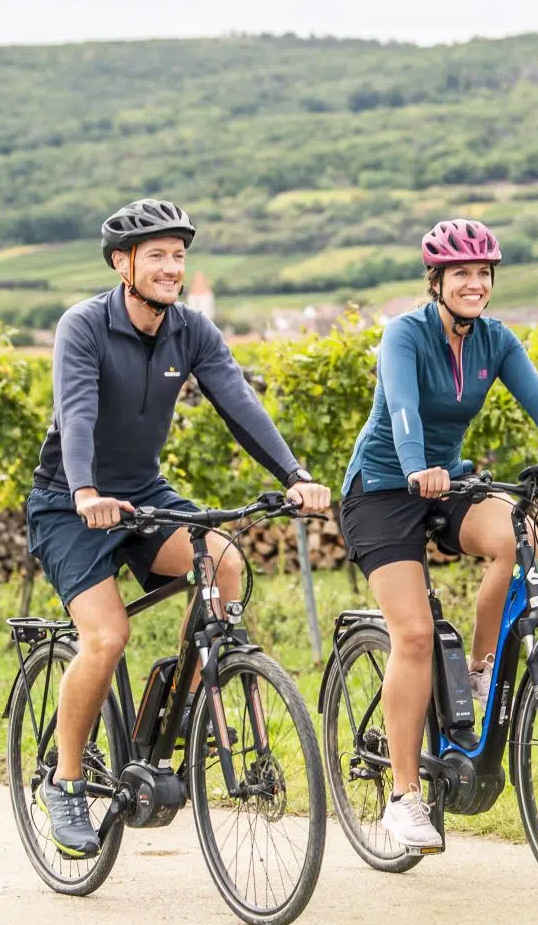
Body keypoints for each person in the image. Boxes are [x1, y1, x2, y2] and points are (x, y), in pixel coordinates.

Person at [27, 197, 331, 858]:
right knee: (107, 636)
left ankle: (183, 717)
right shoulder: (83, 326)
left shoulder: (190, 330)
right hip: (68, 503)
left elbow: (238, 402)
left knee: (223, 562)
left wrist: (294, 475)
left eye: (179, 257)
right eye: (158, 256)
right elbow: (76, 415)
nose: (172, 268)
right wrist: (83, 490)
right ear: (122, 263)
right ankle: (67, 780)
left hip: (143, 495)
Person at [338, 219, 538, 853]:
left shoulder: (495, 341)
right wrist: (416, 465)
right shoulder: (405, 335)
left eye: (483, 274)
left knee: (515, 531)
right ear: (436, 281)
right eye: (461, 274)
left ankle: (476, 670)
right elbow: (402, 408)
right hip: (386, 490)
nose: (474, 283)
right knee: (413, 633)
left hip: (447, 484)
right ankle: (404, 798)